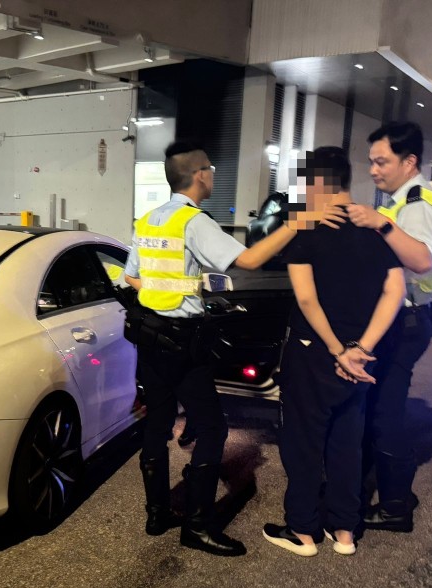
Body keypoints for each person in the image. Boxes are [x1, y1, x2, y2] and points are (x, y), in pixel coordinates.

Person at [123, 140, 338, 556]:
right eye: (211, 168)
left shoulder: (149, 220)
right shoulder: (193, 222)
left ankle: (157, 514)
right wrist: (298, 222)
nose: (213, 174)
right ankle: (197, 527)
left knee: (158, 424)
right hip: (182, 340)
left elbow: (132, 277)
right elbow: (250, 260)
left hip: (149, 337)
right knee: (212, 428)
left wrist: (173, 291)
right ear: (199, 174)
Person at [261, 147, 405, 557]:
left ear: (317, 183)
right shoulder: (373, 227)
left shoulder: (308, 231)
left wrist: (338, 350)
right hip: (359, 359)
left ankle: (303, 530)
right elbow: (394, 292)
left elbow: (307, 299)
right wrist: (361, 349)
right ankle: (344, 530)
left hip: (313, 351)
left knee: (303, 442)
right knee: (347, 441)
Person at [346, 122, 432, 533]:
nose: (373, 170)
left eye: (381, 162)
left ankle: (394, 507)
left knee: (385, 415)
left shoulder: (417, 202)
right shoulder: (402, 200)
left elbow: (421, 260)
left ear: (409, 162)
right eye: (371, 162)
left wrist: (380, 224)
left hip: (404, 322)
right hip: (403, 320)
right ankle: (390, 493)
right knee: (379, 408)